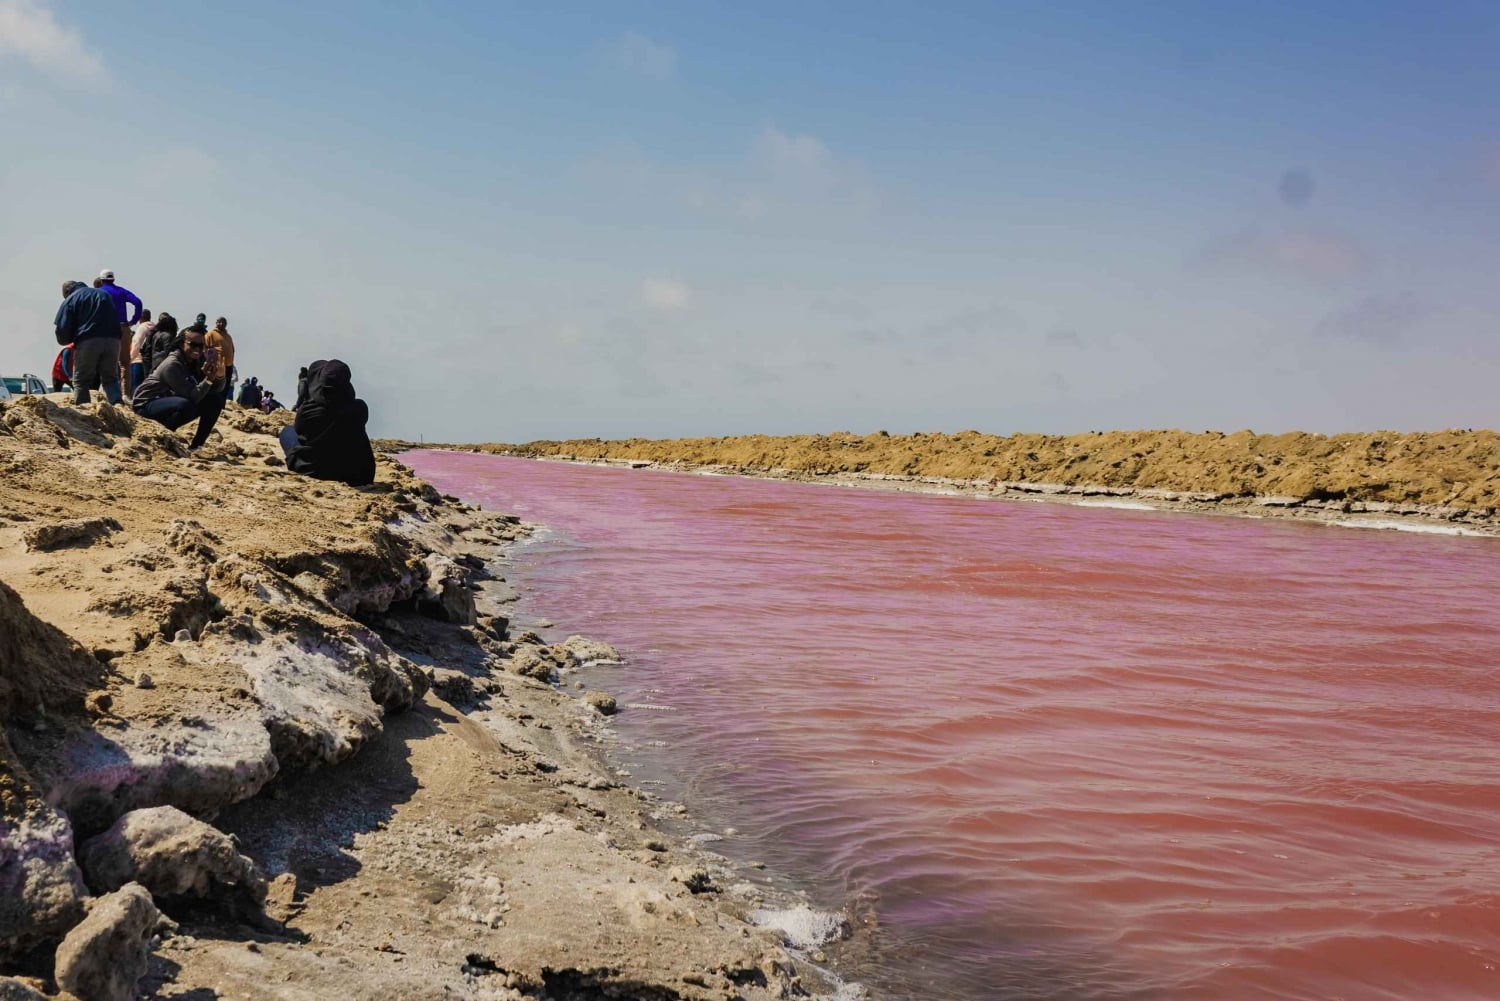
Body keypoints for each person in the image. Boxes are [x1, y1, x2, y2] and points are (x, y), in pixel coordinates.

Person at [278, 360, 375, 486]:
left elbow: (300, 430)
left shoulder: (307, 411)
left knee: (288, 432)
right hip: (358, 474)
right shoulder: (359, 408)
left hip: (315, 471)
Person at [132, 328, 226, 450]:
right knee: (186, 405)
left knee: (215, 400)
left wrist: (219, 376)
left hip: (170, 401)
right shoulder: (173, 364)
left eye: (201, 346)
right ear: (182, 344)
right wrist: (208, 380)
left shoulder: (194, 361)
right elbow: (192, 396)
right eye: (193, 345)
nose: (197, 349)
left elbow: (215, 390)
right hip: (147, 404)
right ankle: (164, 437)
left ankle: (196, 446)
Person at [55, 280, 124, 405]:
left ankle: (84, 409)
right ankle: (118, 403)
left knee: (81, 381)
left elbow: (62, 329)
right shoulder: (104, 294)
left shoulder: (71, 299)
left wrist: (67, 339)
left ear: (66, 292)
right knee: (110, 378)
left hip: (88, 340)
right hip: (113, 340)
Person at [95, 270, 144, 392]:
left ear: (101, 280)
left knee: (105, 361)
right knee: (125, 363)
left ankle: (109, 392)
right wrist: (133, 320)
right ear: (113, 279)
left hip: (105, 329)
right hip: (122, 327)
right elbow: (138, 302)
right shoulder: (121, 291)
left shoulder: (98, 292)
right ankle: (125, 393)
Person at [205, 317, 236, 402]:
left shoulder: (228, 336)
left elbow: (232, 349)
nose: (221, 324)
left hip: (228, 365)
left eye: (224, 322)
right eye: (220, 322)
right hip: (216, 364)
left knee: (225, 387)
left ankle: (221, 404)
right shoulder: (210, 334)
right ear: (216, 323)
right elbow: (205, 348)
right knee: (216, 386)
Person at [141, 312, 179, 378]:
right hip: (162, 364)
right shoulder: (168, 336)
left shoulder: (155, 333)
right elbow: (169, 351)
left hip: (153, 362)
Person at [129, 309, 155, 391]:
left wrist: (130, 358)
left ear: (140, 318)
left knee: (136, 386)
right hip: (150, 360)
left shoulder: (142, 328)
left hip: (138, 360)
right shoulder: (154, 327)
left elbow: (137, 344)